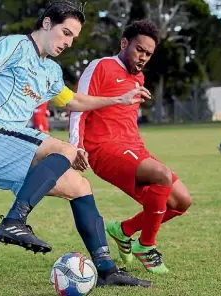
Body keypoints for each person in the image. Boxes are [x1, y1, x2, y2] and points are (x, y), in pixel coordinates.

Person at [0, 0, 151, 287]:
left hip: (11, 149)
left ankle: (106, 270)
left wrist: (119, 99)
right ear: (47, 23)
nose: (69, 42)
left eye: (74, 38)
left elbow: (74, 101)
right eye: (66, 33)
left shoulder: (50, 72)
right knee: (66, 147)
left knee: (80, 187)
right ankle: (13, 221)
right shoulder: (15, 45)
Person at [69, 20, 193, 274]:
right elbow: (77, 106)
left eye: (148, 54)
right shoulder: (101, 66)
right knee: (162, 176)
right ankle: (145, 246)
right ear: (124, 43)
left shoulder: (139, 78)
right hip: (103, 149)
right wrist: (76, 146)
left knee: (181, 201)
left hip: (134, 148)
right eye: (139, 50)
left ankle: (123, 230)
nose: (143, 57)